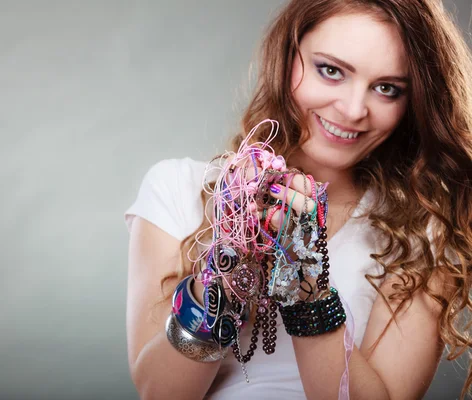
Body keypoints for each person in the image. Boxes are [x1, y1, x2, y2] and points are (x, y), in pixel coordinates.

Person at [125, 0, 472, 398]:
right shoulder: (177, 188)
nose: (354, 109)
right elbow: (161, 393)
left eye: (387, 88)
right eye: (331, 71)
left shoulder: (423, 232)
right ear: (287, 58)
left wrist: (305, 281)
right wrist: (230, 260)